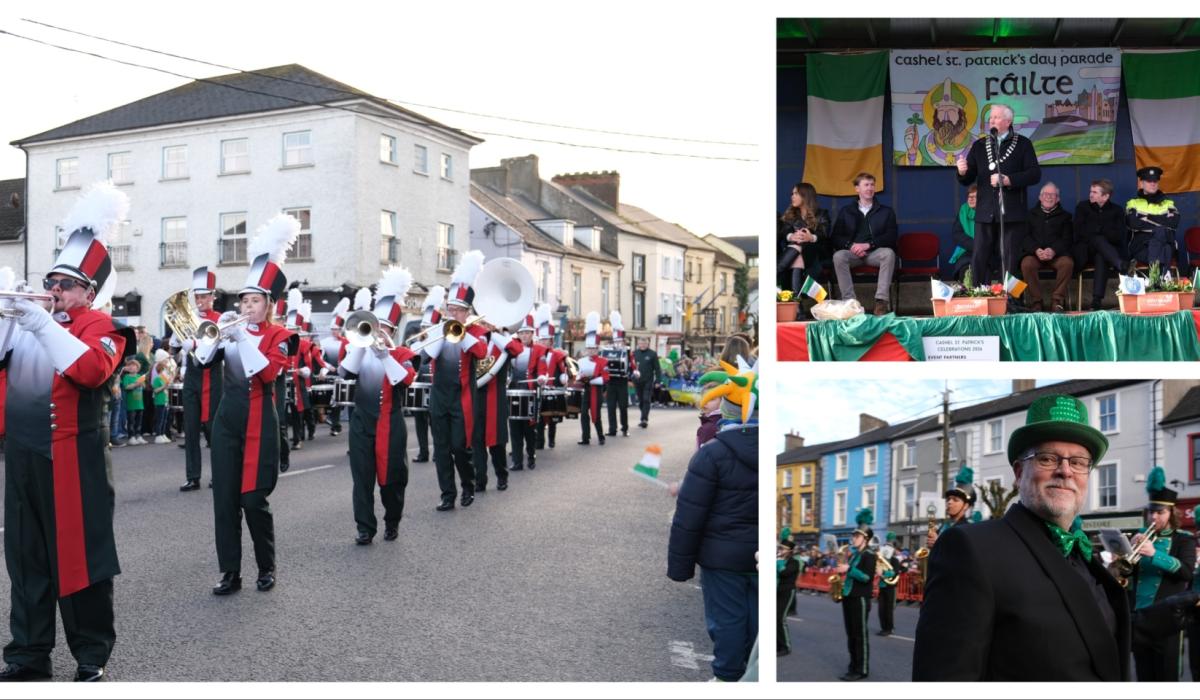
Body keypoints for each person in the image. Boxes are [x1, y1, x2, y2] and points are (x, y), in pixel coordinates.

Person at [0, 182, 134, 682]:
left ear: (90, 291)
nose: (53, 289)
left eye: (66, 283)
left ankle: (91, 654)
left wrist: (39, 322)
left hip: (73, 458)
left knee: (82, 559)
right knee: (26, 560)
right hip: (24, 454)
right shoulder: (33, 322)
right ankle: (27, 655)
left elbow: (91, 371)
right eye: (51, 279)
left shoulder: (103, 326)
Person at [912, 394, 1130, 681]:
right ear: (1018, 472)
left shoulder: (1084, 556)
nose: (1065, 470)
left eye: (1078, 462)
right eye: (1048, 458)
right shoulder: (970, 548)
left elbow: (1092, 635)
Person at [196, 215, 296, 596]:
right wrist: (218, 336)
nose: (247, 306)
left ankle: (266, 566)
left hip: (259, 421)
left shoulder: (281, 335)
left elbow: (268, 375)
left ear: (268, 305)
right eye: (244, 300)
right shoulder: (231, 330)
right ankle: (229, 572)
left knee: (253, 499)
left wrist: (242, 338)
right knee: (224, 502)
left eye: (254, 300)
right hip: (227, 420)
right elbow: (203, 361)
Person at [667, 358, 758, 683]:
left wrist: (680, 566)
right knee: (757, 620)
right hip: (759, 558)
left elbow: (689, 516)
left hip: (721, 558)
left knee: (728, 620)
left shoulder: (712, 453)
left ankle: (727, 679)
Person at [339, 268, 418, 545]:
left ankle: (392, 520)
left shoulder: (403, 354)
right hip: (362, 422)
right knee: (362, 478)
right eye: (375, 325)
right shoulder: (356, 351)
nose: (377, 331)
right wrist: (361, 346)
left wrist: (385, 356)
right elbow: (344, 374)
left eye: (384, 327)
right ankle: (364, 527)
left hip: (390, 423)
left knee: (393, 479)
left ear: (393, 330)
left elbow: (405, 380)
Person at [423, 250, 486, 511]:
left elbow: (482, 353)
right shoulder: (440, 328)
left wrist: (463, 334)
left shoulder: (476, 331)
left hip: (462, 398)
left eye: (459, 311)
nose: (454, 315)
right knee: (441, 448)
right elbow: (426, 357)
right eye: (451, 309)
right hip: (439, 395)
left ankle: (468, 485)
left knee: (460, 447)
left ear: (467, 312)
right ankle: (447, 494)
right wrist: (441, 332)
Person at [955, 103, 1043, 286]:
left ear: (1008, 121)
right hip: (985, 211)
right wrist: (962, 171)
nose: (991, 120)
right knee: (979, 256)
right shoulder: (979, 145)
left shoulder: (1023, 144)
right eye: (990, 118)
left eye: (996, 117)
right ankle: (978, 296)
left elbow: (1035, 174)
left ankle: (1012, 300)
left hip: (1012, 213)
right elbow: (968, 178)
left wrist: (1008, 180)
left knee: (1011, 258)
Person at [1127, 466, 1195, 682]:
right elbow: (1129, 576)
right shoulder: (1141, 537)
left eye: (1160, 512)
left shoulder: (1184, 539)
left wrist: (1155, 554)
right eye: (1151, 511)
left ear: (1171, 513)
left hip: (1168, 620)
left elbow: (1186, 572)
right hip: (1140, 618)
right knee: (1144, 676)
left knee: (1167, 677)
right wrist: (1125, 555)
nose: (1153, 516)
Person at [174, 268, 223, 490]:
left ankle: (219, 474)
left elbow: (217, 348)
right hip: (192, 377)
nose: (200, 300)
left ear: (213, 297)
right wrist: (175, 340)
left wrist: (194, 344)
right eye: (198, 296)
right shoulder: (188, 319)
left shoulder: (221, 319)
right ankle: (193, 476)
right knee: (191, 428)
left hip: (212, 375)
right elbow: (175, 351)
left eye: (204, 296)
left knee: (214, 428)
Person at [830, 172, 898, 316]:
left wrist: (868, 245)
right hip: (852, 253)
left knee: (889, 253)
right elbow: (836, 237)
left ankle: (881, 302)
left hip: (874, 252)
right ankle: (850, 303)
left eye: (872, 185)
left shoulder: (886, 211)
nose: (870, 188)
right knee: (838, 256)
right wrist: (851, 246)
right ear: (857, 189)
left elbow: (891, 236)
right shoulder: (846, 211)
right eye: (866, 185)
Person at [472, 316, 522, 492]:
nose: (483, 326)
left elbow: (516, 349)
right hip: (476, 396)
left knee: (497, 443)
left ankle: (502, 476)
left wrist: (496, 334)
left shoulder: (502, 342)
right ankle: (480, 479)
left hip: (495, 397)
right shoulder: (475, 341)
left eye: (487, 323)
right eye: (481, 323)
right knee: (476, 441)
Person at [778, 182, 832, 319]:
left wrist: (811, 237)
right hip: (796, 256)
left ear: (805, 195)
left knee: (797, 247)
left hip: (815, 253)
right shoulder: (791, 214)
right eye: (792, 193)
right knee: (796, 253)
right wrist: (791, 236)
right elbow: (783, 232)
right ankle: (800, 308)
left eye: (795, 193)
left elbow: (825, 233)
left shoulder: (821, 214)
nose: (792, 196)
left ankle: (778, 269)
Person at [1018, 182, 1074, 312]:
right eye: (1045, 194)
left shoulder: (1066, 216)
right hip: (1035, 255)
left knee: (1067, 263)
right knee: (1026, 264)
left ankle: (1057, 301)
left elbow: (1067, 239)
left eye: (1053, 195)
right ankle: (1036, 301)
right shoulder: (1030, 215)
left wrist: (1053, 250)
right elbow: (1024, 238)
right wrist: (1036, 249)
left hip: (1056, 255)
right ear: (1040, 197)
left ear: (1058, 199)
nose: (1049, 197)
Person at [835, 509, 877, 681]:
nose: (853, 538)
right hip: (849, 597)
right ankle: (853, 666)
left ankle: (862, 669)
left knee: (860, 635)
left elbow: (866, 577)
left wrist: (849, 569)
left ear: (865, 538)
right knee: (851, 634)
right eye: (854, 535)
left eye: (857, 536)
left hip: (860, 598)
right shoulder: (855, 555)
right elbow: (851, 574)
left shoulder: (869, 555)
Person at [1072, 178, 1126, 311]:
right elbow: (1079, 232)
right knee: (1097, 239)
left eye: (1095, 192)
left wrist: (1097, 231)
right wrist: (1100, 232)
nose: (1091, 194)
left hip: (1106, 252)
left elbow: (1119, 236)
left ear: (1106, 196)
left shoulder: (1117, 211)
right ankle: (1120, 265)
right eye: (1091, 191)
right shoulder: (1083, 207)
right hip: (1085, 252)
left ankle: (1096, 301)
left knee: (1101, 255)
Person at [408, 287, 443, 463]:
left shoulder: (439, 345)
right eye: (422, 327)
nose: (424, 330)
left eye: (427, 327)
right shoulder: (414, 345)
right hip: (419, 386)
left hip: (434, 387)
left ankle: (438, 451)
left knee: (435, 423)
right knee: (419, 422)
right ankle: (423, 452)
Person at [508, 310, 544, 471]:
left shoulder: (539, 350)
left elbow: (542, 369)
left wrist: (542, 377)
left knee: (529, 429)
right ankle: (517, 461)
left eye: (527, 333)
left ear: (532, 334)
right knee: (514, 428)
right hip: (513, 391)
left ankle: (531, 456)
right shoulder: (510, 348)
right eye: (521, 333)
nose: (524, 336)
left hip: (530, 393)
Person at [1126, 166, 1179, 271]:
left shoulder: (1168, 203)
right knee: (1166, 250)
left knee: (1160, 242)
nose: (1153, 183)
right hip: (1141, 246)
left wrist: (1146, 217)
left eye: (1155, 181)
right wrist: (1161, 220)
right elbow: (1133, 223)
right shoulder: (1133, 203)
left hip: (1164, 242)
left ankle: (1154, 283)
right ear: (1141, 183)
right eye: (1149, 181)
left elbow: (1173, 223)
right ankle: (1162, 280)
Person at [576, 311, 609, 446]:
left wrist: (591, 379)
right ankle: (585, 437)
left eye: (593, 349)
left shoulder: (603, 361)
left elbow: (606, 378)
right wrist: (580, 377)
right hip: (587, 390)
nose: (591, 351)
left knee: (596, 415)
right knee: (584, 414)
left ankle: (601, 436)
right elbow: (578, 373)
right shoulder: (582, 360)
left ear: (597, 349)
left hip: (597, 390)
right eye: (589, 348)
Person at [926, 466, 976, 552]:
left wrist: (938, 543)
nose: (949, 502)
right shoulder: (943, 526)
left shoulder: (968, 529)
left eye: (955, 500)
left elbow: (962, 555)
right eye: (948, 499)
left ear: (966, 506)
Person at [603, 311, 634, 437]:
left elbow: (632, 364)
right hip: (611, 382)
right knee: (610, 407)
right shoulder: (608, 351)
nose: (617, 344)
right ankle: (612, 429)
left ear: (623, 342)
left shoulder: (627, 352)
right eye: (616, 342)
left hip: (622, 382)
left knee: (622, 406)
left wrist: (634, 372)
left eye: (619, 342)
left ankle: (625, 428)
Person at [949, 185, 978, 282]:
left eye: (974, 197)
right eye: (969, 196)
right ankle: (967, 296)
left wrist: (981, 247)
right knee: (965, 269)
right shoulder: (963, 210)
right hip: (967, 250)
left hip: (987, 251)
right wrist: (975, 245)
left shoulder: (987, 213)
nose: (970, 199)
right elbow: (957, 234)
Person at [876, 532, 902, 637]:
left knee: (888, 609)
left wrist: (883, 574)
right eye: (886, 546)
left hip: (891, 587)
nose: (887, 548)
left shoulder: (895, 560)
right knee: (881, 609)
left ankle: (889, 628)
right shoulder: (882, 561)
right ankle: (883, 627)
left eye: (889, 546)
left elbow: (894, 572)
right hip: (882, 586)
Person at [777, 538, 799, 657]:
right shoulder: (778, 559)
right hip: (776, 590)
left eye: (783, 549)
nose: (780, 550)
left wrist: (778, 563)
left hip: (787, 591)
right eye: (780, 548)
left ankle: (786, 646)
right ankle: (777, 645)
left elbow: (784, 573)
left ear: (789, 551)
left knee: (780, 618)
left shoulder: (794, 562)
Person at [632, 336, 660, 429]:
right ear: (638, 344)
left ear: (648, 344)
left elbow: (657, 368)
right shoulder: (634, 353)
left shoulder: (652, 354)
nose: (642, 345)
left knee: (646, 399)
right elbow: (631, 367)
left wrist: (658, 380)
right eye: (641, 343)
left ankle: (644, 419)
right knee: (640, 400)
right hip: (637, 381)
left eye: (644, 343)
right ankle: (643, 415)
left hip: (648, 380)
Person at [121, 356, 147, 445]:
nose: (132, 367)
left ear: (138, 368)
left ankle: (138, 435)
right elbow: (126, 387)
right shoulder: (127, 377)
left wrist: (142, 383)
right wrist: (136, 384)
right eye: (130, 366)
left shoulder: (139, 376)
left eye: (134, 366)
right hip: (131, 404)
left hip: (140, 404)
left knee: (139, 421)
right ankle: (131, 437)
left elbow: (144, 387)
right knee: (131, 421)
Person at [150, 349, 174, 444]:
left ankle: (163, 434)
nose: (166, 371)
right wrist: (164, 386)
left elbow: (165, 387)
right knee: (160, 419)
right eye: (164, 369)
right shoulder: (157, 378)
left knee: (164, 419)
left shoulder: (163, 378)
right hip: (159, 401)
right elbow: (155, 389)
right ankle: (158, 435)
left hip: (165, 400)